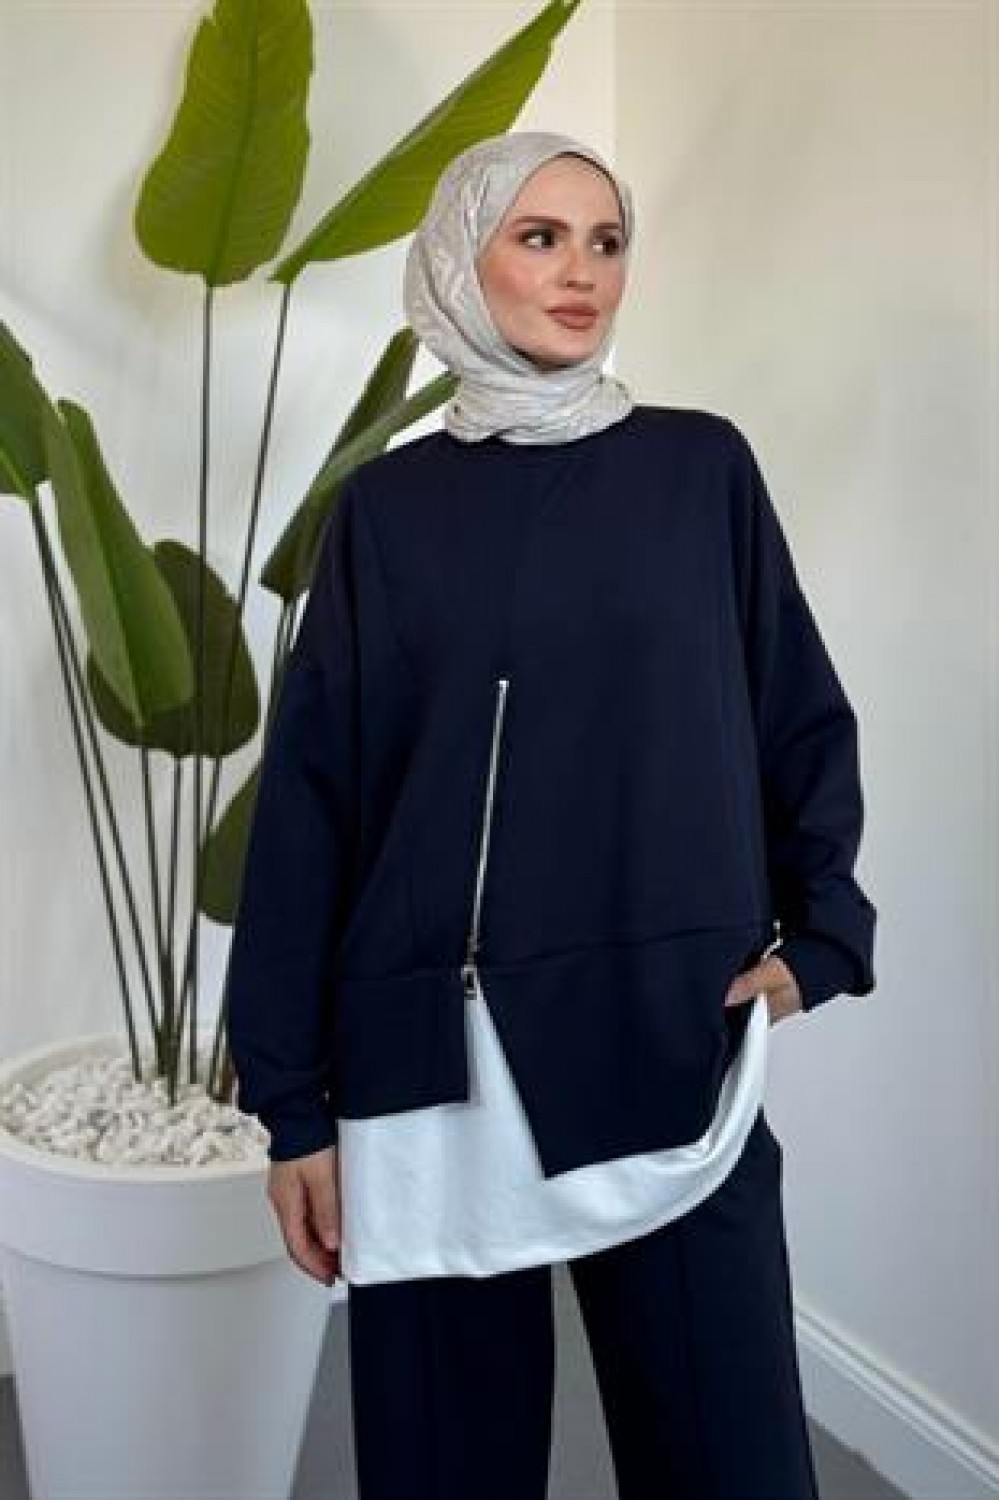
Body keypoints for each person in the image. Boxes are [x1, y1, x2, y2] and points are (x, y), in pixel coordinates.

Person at [225, 130, 877, 1500]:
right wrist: (291, 1108)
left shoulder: (700, 471)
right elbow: (312, 813)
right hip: (429, 1068)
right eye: (539, 237)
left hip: (663, 1037)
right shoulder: (385, 513)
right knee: (448, 1471)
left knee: (733, 1462)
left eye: (606, 241)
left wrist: (822, 935)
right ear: (462, 261)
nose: (582, 272)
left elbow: (796, 713)